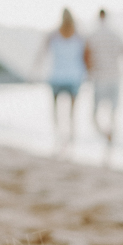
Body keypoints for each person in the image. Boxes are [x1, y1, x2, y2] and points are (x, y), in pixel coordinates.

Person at [83, 8, 123, 160]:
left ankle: (105, 136)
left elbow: (86, 58)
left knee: (94, 116)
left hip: (99, 78)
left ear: (97, 18)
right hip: (114, 78)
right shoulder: (116, 35)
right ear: (107, 18)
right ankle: (110, 143)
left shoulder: (92, 35)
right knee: (113, 115)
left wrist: (87, 76)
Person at [35, 8, 87, 154]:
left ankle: (58, 138)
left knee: (56, 112)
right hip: (74, 78)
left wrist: (34, 70)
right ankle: (71, 143)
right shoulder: (79, 36)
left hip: (56, 77)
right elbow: (86, 57)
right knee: (72, 114)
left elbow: (41, 54)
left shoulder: (53, 35)